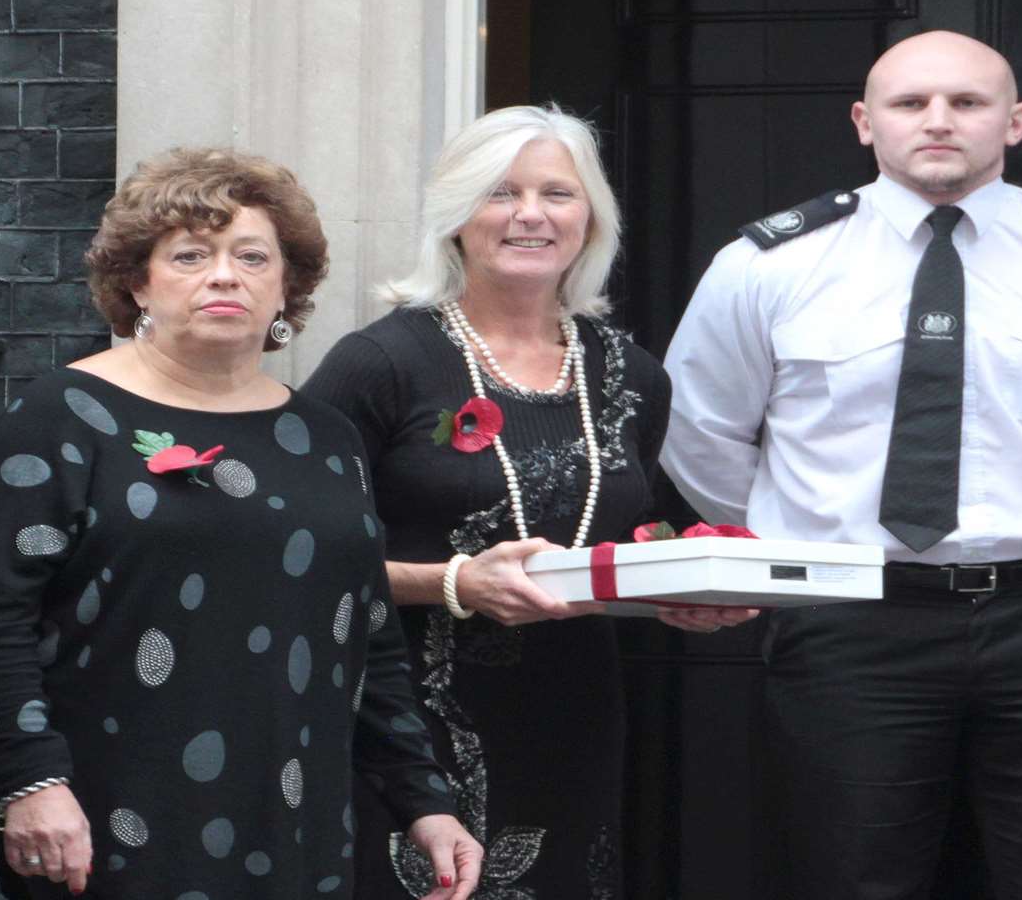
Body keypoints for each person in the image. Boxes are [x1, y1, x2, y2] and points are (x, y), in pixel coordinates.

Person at [660, 30, 1022, 898]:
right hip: (849, 626)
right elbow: (700, 431)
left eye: (968, 102)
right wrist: (809, 545)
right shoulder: (767, 265)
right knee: (849, 878)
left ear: (1017, 121)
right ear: (864, 122)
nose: (938, 121)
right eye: (910, 103)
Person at [0, 147, 481, 900]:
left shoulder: (328, 438)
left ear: (286, 288)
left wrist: (424, 801)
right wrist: (32, 778)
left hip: (298, 821)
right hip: (107, 817)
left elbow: (368, 636)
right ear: (138, 281)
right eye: (190, 255)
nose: (224, 275)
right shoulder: (62, 417)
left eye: (251, 256)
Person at [303, 104, 751, 899]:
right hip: (404, 712)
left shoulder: (632, 374)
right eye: (501, 193)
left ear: (591, 219)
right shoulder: (382, 361)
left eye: (557, 193)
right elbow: (293, 552)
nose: (531, 215)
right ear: (456, 216)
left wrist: (672, 592)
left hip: (569, 710)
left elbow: (613, 538)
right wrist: (452, 582)